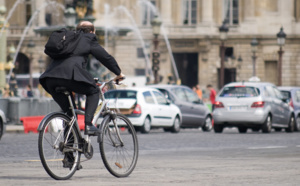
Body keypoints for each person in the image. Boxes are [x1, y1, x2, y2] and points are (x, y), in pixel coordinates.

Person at [39, 21, 125, 136]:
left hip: (50, 79)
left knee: (69, 114)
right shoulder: (88, 38)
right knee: (94, 91)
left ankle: (69, 150)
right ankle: (89, 125)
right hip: (69, 76)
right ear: (92, 31)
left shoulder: (67, 38)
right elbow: (105, 57)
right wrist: (118, 73)